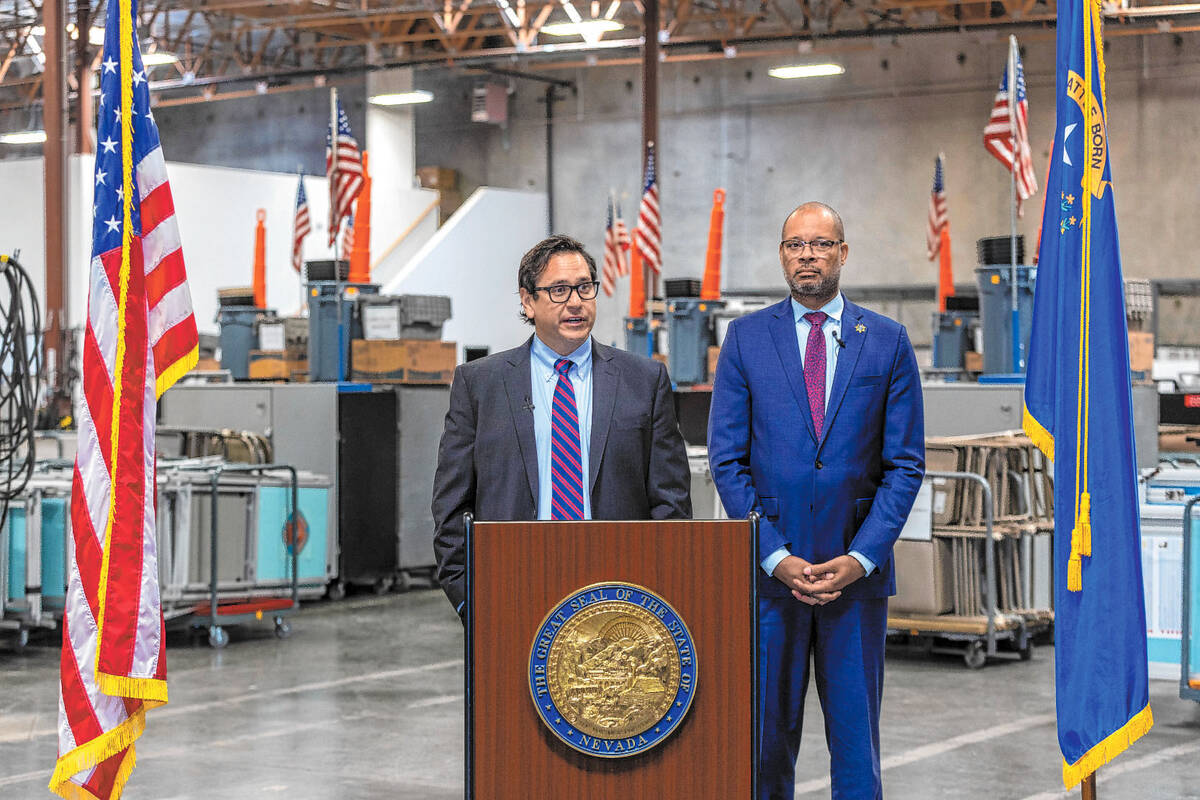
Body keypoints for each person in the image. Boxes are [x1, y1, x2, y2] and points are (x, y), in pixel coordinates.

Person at [707, 202, 925, 800]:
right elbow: (726, 459)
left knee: (857, 743)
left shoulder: (887, 342)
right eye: (795, 244)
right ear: (782, 255)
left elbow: (905, 464)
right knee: (763, 740)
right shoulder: (746, 340)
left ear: (843, 254)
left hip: (854, 582)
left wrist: (861, 558)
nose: (808, 255)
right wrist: (773, 555)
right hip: (771, 579)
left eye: (821, 244)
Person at [432, 234, 692, 616]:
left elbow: (671, 502)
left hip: (619, 591)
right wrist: (467, 597)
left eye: (585, 288)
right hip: (510, 587)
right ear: (527, 300)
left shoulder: (644, 380)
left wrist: (655, 589)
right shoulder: (479, 385)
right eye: (558, 290)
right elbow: (451, 504)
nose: (575, 302)